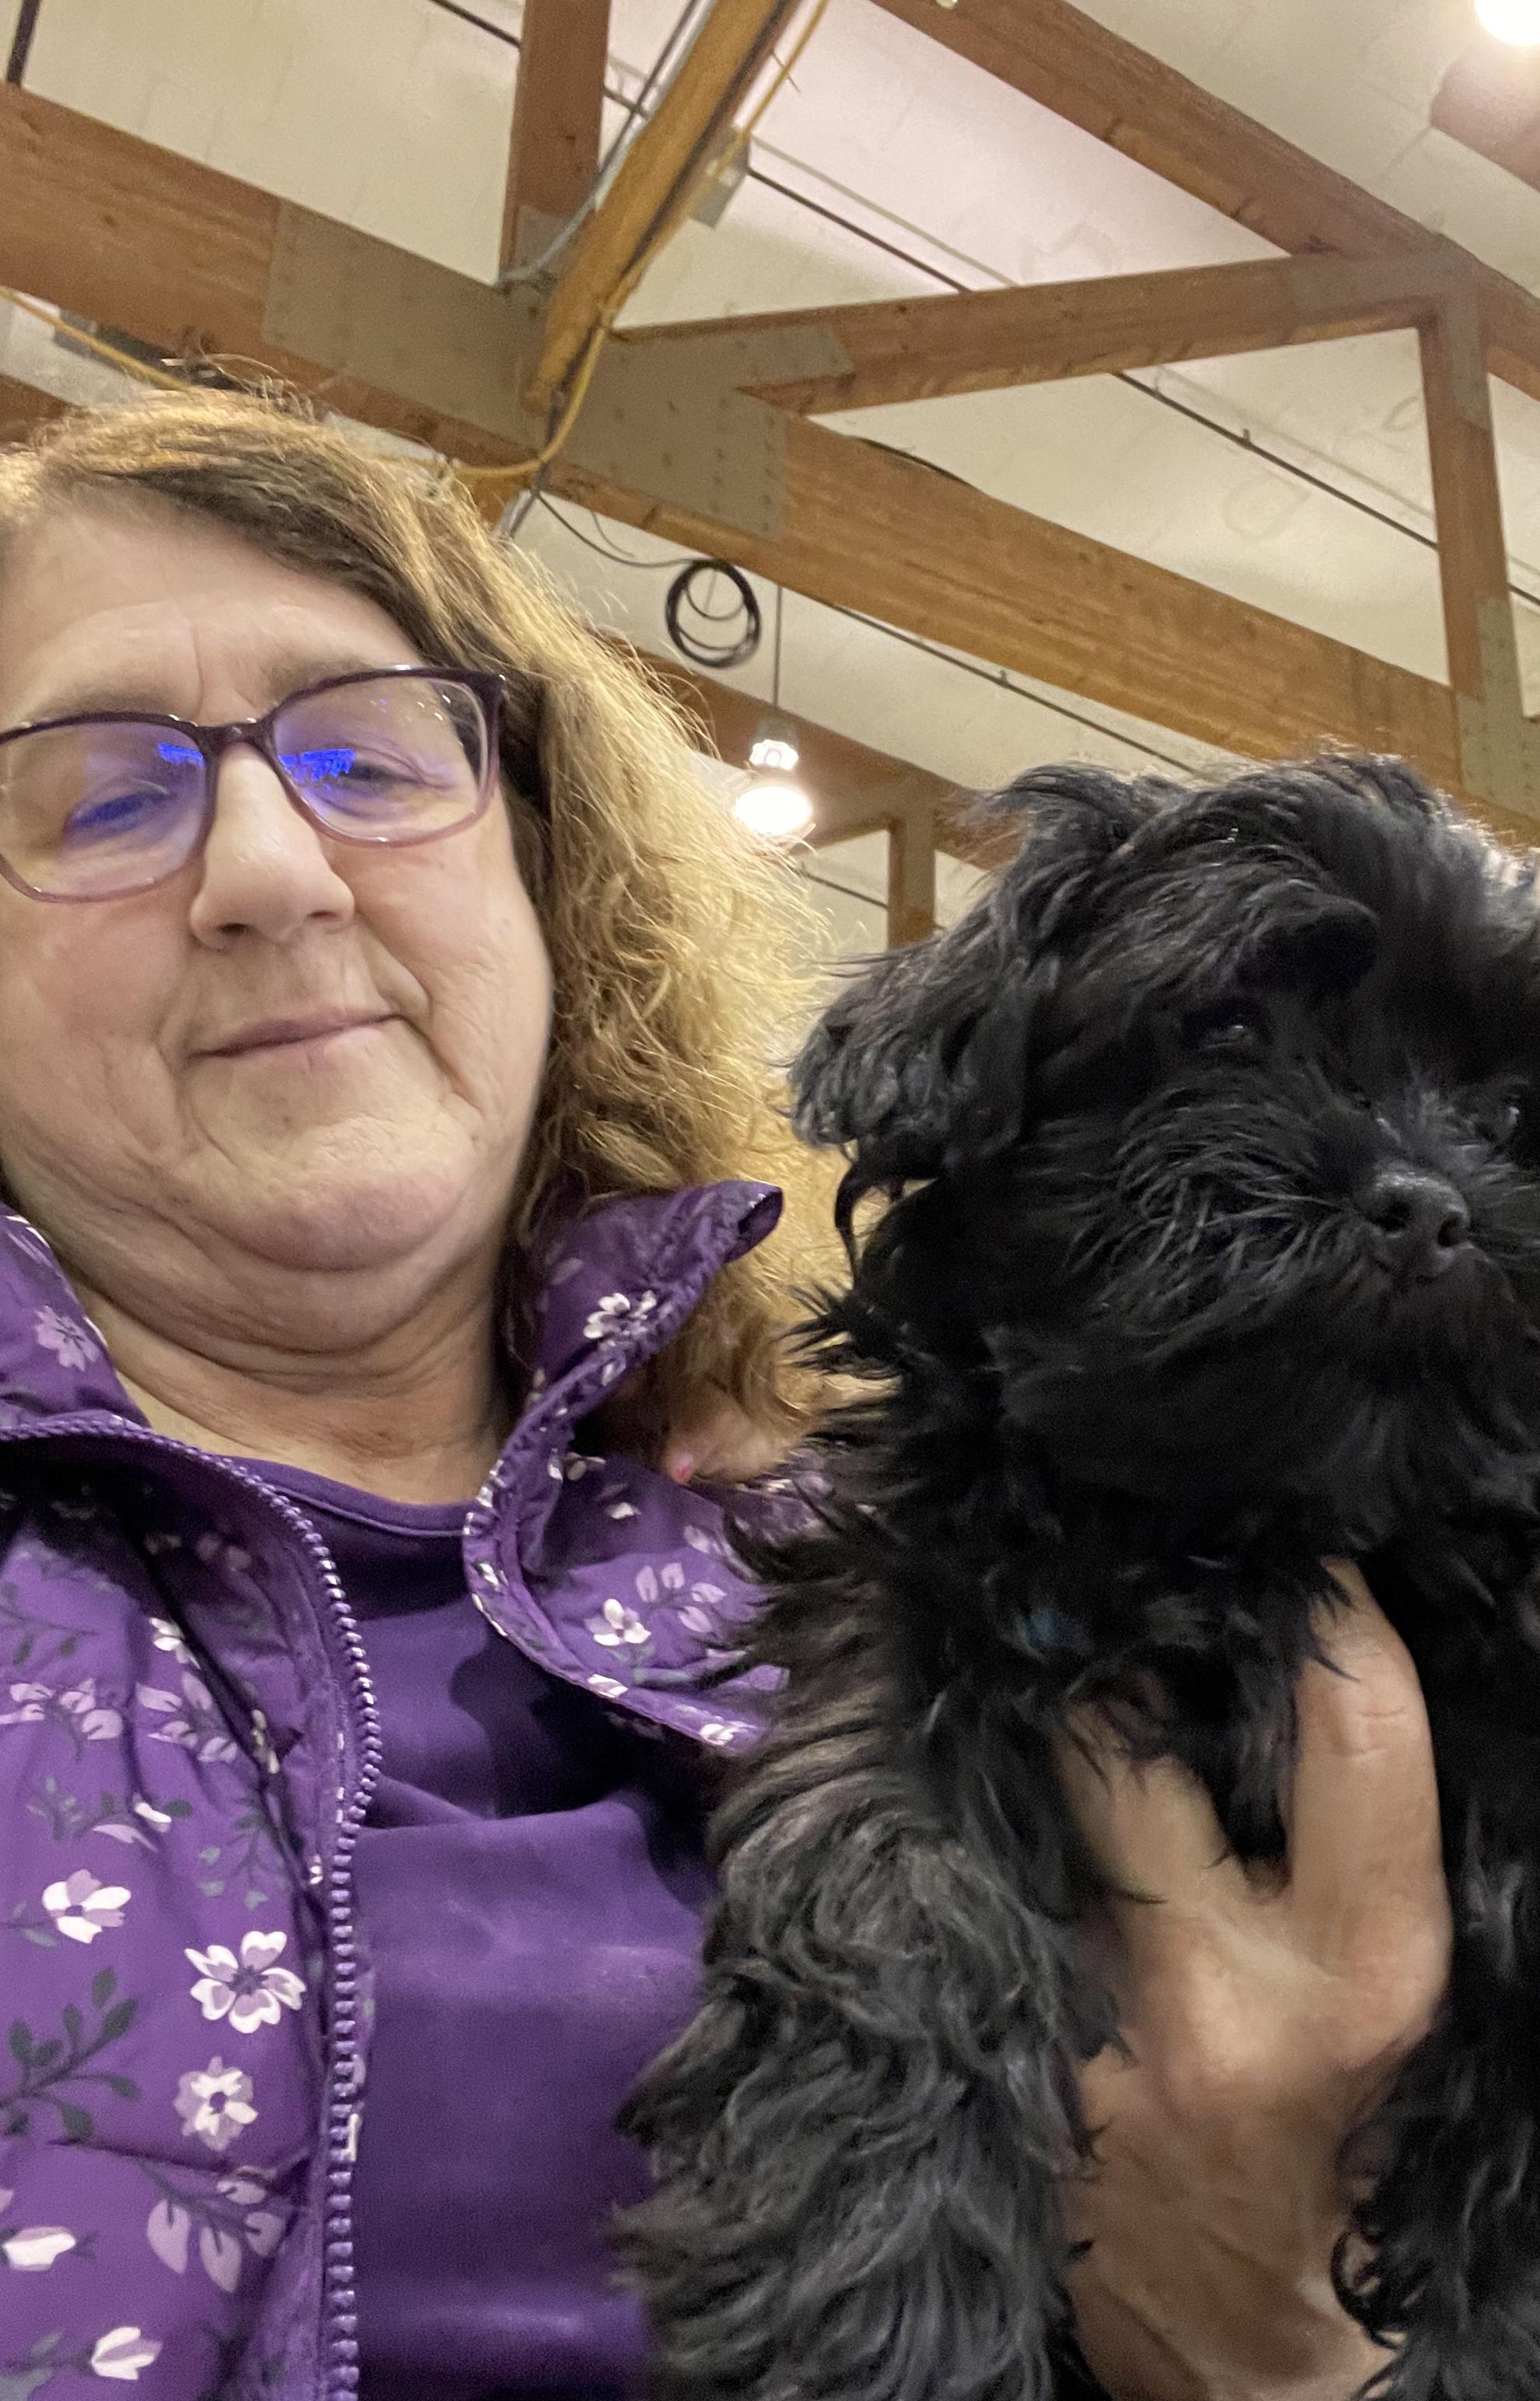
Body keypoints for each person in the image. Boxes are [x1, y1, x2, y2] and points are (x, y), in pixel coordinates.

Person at [0, 390, 1449, 2401]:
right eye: (102, 800)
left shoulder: (920, 1547)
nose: (269, 866)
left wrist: (1282, 2352)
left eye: (369, 757)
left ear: (546, 872)